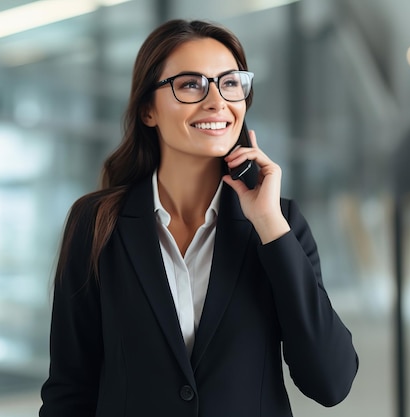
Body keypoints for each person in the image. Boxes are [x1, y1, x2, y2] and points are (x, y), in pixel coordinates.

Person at [39, 19, 358, 417]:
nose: (217, 101)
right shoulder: (97, 223)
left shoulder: (280, 223)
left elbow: (331, 382)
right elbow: (70, 390)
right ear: (147, 111)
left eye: (230, 83)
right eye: (191, 84)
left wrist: (270, 227)